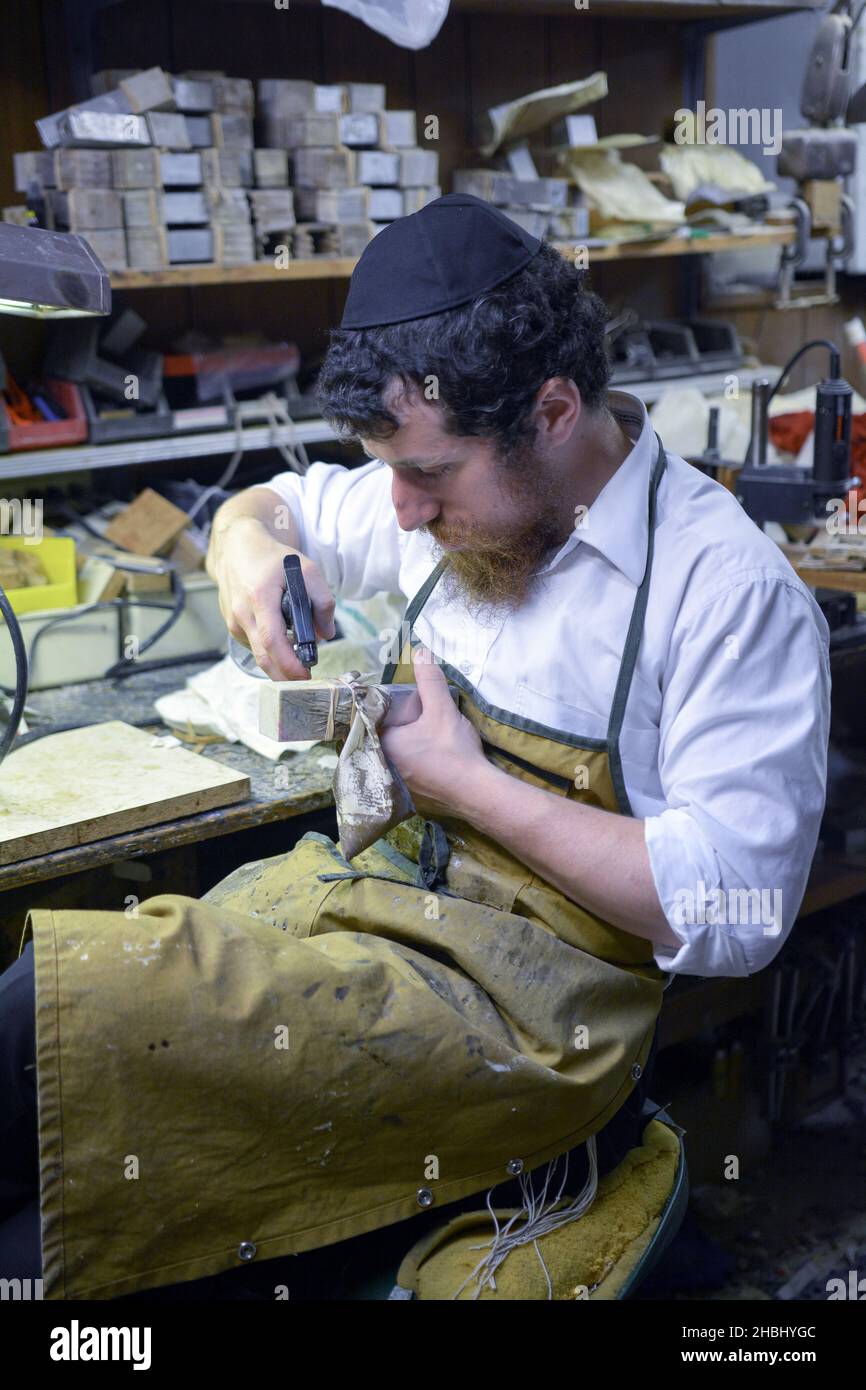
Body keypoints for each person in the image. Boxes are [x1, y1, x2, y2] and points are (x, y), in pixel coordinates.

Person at [0, 196, 830, 1302]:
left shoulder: (721, 591)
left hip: (530, 1033)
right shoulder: (445, 490)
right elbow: (272, 504)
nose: (396, 509)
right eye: (383, 468)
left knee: (67, 1099)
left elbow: (735, 909)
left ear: (549, 410)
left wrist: (467, 787)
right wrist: (250, 554)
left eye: (428, 476)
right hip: (368, 920)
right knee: (37, 1016)